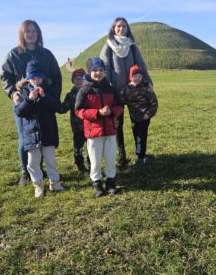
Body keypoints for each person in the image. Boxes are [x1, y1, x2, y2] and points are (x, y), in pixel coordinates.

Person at [1, 20, 62, 186]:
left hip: (44, 101)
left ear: (38, 34)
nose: (31, 34)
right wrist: (13, 92)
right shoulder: (14, 54)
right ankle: (25, 171)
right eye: (27, 31)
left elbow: (56, 76)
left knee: (43, 135)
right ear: (22, 34)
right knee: (25, 137)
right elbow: (5, 77)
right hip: (24, 101)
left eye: (34, 31)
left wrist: (53, 97)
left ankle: (40, 169)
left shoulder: (46, 54)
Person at [100, 17, 152, 168]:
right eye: (118, 26)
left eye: (123, 26)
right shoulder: (108, 46)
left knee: (138, 122)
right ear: (113, 28)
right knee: (117, 124)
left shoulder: (132, 47)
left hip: (133, 91)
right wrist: (108, 86)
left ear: (127, 28)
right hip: (116, 92)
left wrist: (148, 81)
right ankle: (122, 156)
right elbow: (105, 67)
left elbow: (141, 65)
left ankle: (140, 154)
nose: (121, 29)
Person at [75, 58, 124, 197]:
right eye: (95, 70)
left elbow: (120, 106)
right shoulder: (85, 90)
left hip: (110, 131)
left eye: (101, 70)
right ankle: (96, 182)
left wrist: (112, 112)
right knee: (95, 160)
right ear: (89, 72)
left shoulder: (111, 89)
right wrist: (97, 113)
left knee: (110, 158)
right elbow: (79, 110)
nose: (98, 73)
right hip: (93, 132)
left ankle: (110, 181)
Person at [14, 60, 64, 198]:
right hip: (31, 134)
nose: (36, 80)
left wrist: (44, 97)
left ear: (43, 77)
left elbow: (57, 107)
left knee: (51, 160)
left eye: (38, 77)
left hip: (48, 132)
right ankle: (38, 185)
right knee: (32, 162)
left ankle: (55, 182)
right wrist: (29, 100)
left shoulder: (49, 90)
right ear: (28, 78)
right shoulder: (23, 92)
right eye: (32, 78)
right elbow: (19, 112)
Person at [121, 65, 158, 169]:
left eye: (139, 76)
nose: (137, 78)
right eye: (135, 76)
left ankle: (140, 157)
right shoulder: (126, 89)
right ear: (130, 77)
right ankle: (142, 153)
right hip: (134, 118)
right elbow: (120, 101)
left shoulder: (146, 88)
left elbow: (154, 103)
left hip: (144, 118)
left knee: (140, 136)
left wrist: (148, 114)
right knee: (136, 135)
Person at [59, 68, 90, 175]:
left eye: (81, 78)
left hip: (90, 126)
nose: (79, 81)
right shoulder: (70, 95)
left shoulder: (89, 92)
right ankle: (80, 164)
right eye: (76, 79)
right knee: (78, 147)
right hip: (77, 127)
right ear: (72, 81)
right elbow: (63, 109)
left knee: (91, 147)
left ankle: (91, 163)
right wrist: (55, 104)